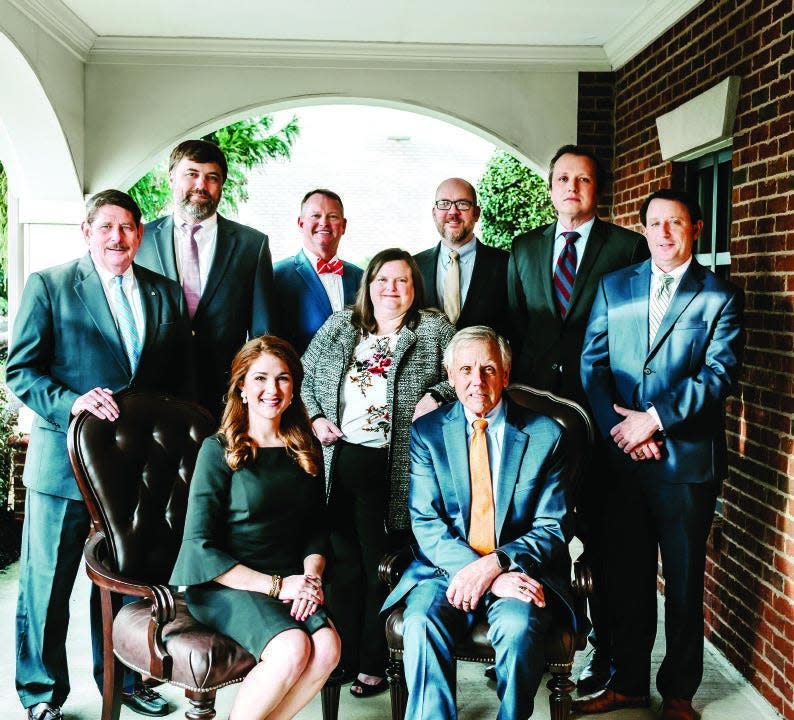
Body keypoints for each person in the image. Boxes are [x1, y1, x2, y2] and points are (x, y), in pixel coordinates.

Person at [6, 190, 194, 720]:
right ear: (86, 231)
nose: (118, 237)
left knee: (125, 582)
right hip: (63, 471)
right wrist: (73, 403)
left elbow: (174, 381)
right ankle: (41, 694)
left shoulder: (164, 293)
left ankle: (126, 680)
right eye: (107, 226)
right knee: (49, 582)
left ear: (141, 233)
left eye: (128, 227)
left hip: (135, 475)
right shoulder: (51, 285)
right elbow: (21, 369)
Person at [576, 189, 744, 720]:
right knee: (625, 580)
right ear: (643, 229)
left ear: (695, 227)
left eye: (676, 223)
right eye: (655, 223)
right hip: (622, 461)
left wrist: (655, 419)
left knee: (684, 581)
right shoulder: (613, 287)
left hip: (686, 464)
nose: (665, 233)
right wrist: (619, 429)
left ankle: (677, 693)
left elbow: (719, 375)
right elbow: (592, 367)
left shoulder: (719, 295)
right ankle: (627, 684)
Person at [507, 144, 649, 693]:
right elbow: (514, 333)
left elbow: (636, 336)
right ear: (550, 187)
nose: (572, 187)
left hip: (602, 418)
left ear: (598, 190)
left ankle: (605, 656)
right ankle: (530, 641)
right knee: (530, 531)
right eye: (562, 177)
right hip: (536, 421)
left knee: (607, 541)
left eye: (583, 180)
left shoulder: (627, 247)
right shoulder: (523, 249)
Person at [382, 325, 577, 720]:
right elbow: (426, 520)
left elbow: (552, 525)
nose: (477, 380)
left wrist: (496, 566)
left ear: (506, 374)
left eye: (488, 369)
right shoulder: (428, 433)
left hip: (517, 571)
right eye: (465, 370)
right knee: (419, 622)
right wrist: (477, 570)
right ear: (450, 377)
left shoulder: (546, 435)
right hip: (444, 570)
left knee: (519, 629)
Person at [301, 248, 456, 697]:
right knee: (341, 564)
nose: (391, 289)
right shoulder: (340, 326)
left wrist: (440, 394)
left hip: (396, 463)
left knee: (379, 565)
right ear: (368, 284)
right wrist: (314, 418)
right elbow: (306, 377)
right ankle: (341, 657)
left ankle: (375, 661)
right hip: (341, 459)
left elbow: (462, 372)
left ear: (415, 287)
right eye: (383, 280)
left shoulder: (431, 328)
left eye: (402, 281)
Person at [170, 336, 340, 720]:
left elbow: (316, 526)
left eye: (282, 379)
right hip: (226, 584)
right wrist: (278, 586)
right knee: (293, 647)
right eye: (260, 378)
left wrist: (310, 579)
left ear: (294, 388)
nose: (272, 389)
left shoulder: (304, 447)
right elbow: (198, 546)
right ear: (242, 387)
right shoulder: (218, 451)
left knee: (328, 648)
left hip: (291, 580)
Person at [136, 139, 276, 419]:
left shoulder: (252, 245)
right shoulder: (141, 240)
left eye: (212, 177)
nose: (201, 185)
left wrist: (257, 389)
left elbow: (263, 332)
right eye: (192, 174)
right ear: (172, 178)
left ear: (221, 184)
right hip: (152, 390)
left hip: (225, 393)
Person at [415, 178, 510, 337]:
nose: (453, 212)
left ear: (477, 213)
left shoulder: (507, 264)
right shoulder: (413, 266)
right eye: (444, 203)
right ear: (434, 213)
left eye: (462, 204)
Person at [273, 189, 364, 354]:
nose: (324, 223)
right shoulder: (276, 275)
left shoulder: (362, 278)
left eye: (332, 216)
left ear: (343, 226)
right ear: (301, 224)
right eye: (315, 216)